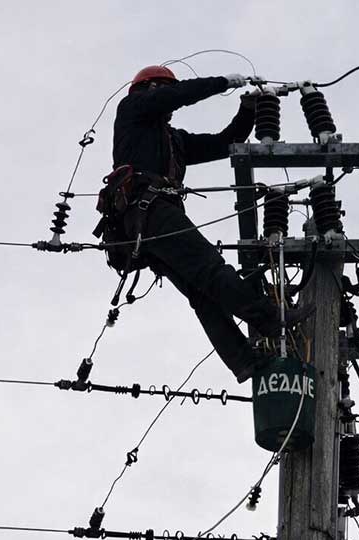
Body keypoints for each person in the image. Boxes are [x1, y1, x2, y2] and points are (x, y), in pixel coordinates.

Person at [107, 65, 311, 382]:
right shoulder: (131, 109)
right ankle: (268, 318)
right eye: (161, 89)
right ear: (149, 89)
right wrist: (222, 82)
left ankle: (244, 361)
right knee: (210, 269)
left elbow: (224, 143)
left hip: (153, 219)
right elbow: (178, 94)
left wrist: (248, 109)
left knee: (203, 292)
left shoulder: (174, 140)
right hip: (149, 210)